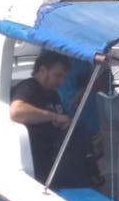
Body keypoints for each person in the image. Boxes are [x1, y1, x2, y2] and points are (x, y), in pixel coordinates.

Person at [10, 50, 91, 188]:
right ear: (43, 70)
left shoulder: (53, 94)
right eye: (58, 76)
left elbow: (62, 118)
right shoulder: (29, 88)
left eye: (64, 77)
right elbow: (16, 112)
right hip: (38, 161)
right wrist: (54, 117)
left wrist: (66, 122)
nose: (61, 82)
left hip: (56, 157)